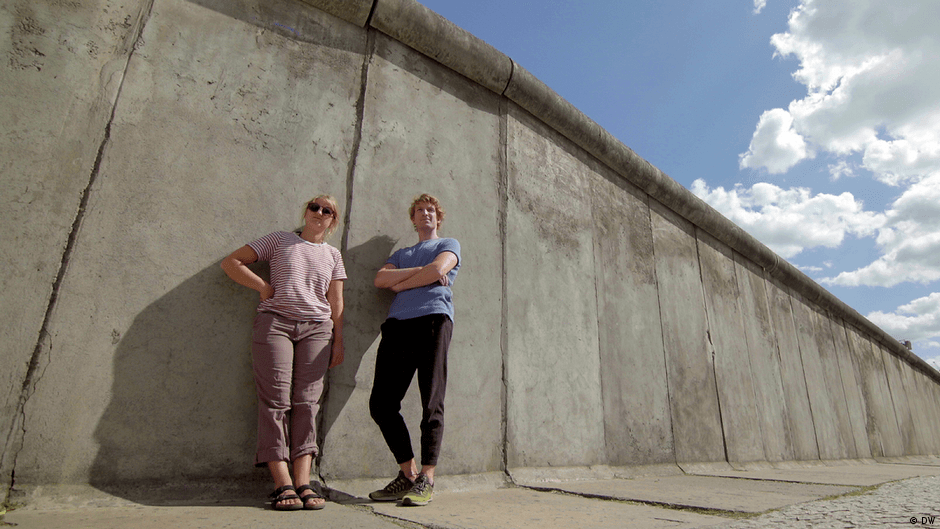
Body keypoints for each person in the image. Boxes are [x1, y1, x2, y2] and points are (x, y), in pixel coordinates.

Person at [221, 195, 346, 511]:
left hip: (318, 330)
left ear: (333, 220)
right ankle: (282, 483)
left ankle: (303, 481)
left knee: (307, 403)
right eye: (315, 206)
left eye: (327, 210)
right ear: (306, 211)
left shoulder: (333, 255)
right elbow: (231, 262)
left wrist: (338, 340)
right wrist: (262, 287)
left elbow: (336, 301)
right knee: (275, 401)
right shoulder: (280, 240)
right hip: (275, 324)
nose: (319, 212)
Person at [369, 193, 461, 506]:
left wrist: (401, 283)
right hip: (398, 325)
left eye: (431, 210)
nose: (426, 214)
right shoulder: (402, 253)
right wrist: (424, 272)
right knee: (381, 405)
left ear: (439, 217)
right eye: (420, 210)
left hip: (433, 320)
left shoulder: (449, 244)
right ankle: (408, 474)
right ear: (413, 218)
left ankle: (427, 477)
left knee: (431, 401)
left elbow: (438, 269)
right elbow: (381, 280)